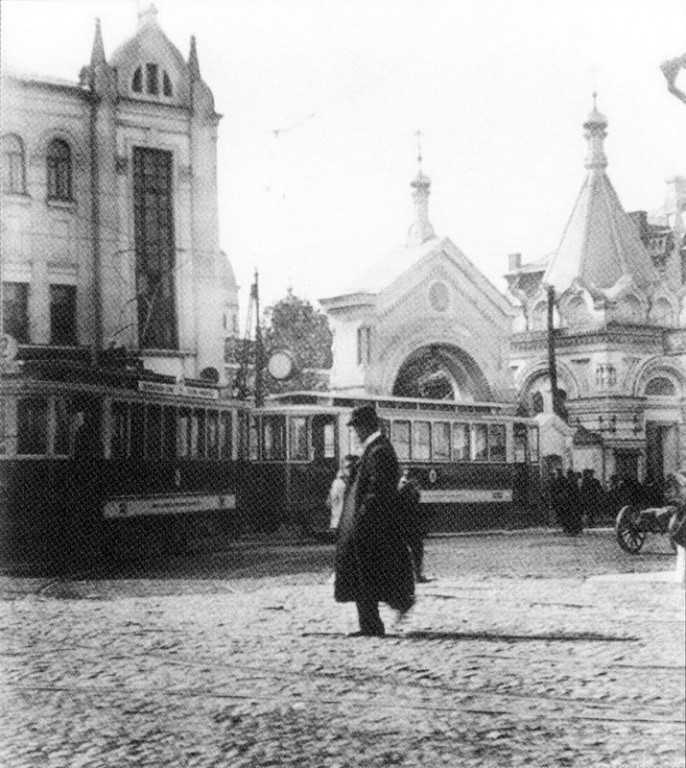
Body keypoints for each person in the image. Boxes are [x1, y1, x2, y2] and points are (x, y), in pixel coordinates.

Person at [334, 404, 415, 637]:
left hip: (371, 525)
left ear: (367, 426)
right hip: (367, 524)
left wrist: (362, 518)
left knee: (368, 573)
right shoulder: (374, 449)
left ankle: (377, 621)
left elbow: (377, 490)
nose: (355, 432)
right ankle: (371, 623)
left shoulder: (379, 451)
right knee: (364, 574)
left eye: (357, 427)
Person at [398, 468, 429, 583]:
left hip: (402, 523)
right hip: (410, 524)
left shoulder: (400, 487)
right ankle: (417, 575)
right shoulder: (410, 489)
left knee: (405, 550)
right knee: (417, 549)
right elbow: (414, 507)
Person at [327, 455, 356, 532]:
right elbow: (330, 503)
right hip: (339, 526)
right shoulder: (339, 483)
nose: (351, 470)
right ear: (342, 468)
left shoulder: (353, 483)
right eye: (348, 467)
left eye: (353, 467)